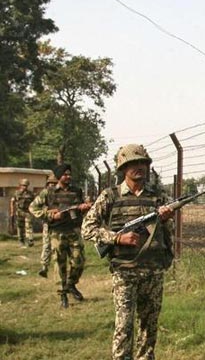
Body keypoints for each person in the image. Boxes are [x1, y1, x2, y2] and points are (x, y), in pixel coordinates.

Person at [82, 144, 174, 360]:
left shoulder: (158, 196)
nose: (138, 167)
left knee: (149, 327)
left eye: (142, 162)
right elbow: (87, 228)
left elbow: (166, 233)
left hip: (153, 270)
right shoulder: (110, 196)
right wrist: (116, 238)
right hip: (124, 271)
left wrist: (166, 221)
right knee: (124, 326)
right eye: (132, 164)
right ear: (122, 168)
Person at [29, 164, 91, 308]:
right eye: (65, 174)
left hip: (74, 230)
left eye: (69, 174)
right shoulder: (48, 193)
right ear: (58, 176)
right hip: (57, 232)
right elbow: (33, 207)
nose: (68, 176)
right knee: (60, 263)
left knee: (79, 261)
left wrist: (84, 208)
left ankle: (71, 284)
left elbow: (79, 208)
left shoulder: (77, 191)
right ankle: (62, 293)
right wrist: (50, 215)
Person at [38, 173, 59, 278]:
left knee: (58, 247)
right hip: (49, 222)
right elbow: (35, 207)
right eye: (51, 183)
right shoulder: (44, 193)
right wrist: (46, 213)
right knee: (46, 245)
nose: (52, 185)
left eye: (54, 183)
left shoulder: (63, 192)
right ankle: (44, 267)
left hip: (61, 224)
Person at [10, 178, 35, 247]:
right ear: (20, 185)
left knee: (28, 226)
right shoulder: (16, 193)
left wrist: (34, 211)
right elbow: (12, 202)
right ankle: (21, 241)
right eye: (23, 185)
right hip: (19, 211)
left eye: (26, 185)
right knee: (20, 227)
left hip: (28, 212)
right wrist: (12, 211)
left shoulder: (31, 194)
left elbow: (35, 202)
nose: (25, 187)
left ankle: (30, 240)